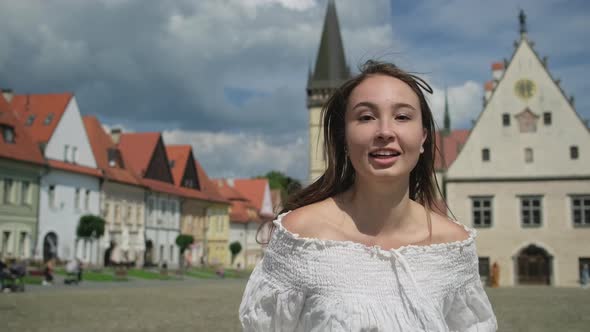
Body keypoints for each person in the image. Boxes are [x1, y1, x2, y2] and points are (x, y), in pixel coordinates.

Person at [239, 60, 497, 331]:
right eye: (365, 117)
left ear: (423, 138)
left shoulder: (452, 247)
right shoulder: (300, 237)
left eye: (402, 116)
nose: (385, 132)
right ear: (344, 139)